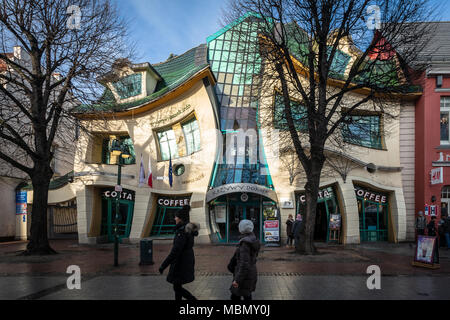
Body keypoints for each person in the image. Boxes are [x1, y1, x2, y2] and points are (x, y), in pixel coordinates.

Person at [159, 205, 200, 301]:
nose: (175, 218)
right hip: (186, 260)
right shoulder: (187, 230)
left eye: (176, 216)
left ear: (180, 219)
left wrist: (163, 266)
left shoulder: (181, 232)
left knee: (177, 287)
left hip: (181, 262)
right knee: (177, 285)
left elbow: (175, 251)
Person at [229, 219, 260, 301]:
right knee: (247, 295)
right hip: (250, 273)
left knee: (236, 296)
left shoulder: (245, 243)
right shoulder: (253, 239)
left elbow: (244, 264)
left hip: (244, 276)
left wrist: (237, 280)